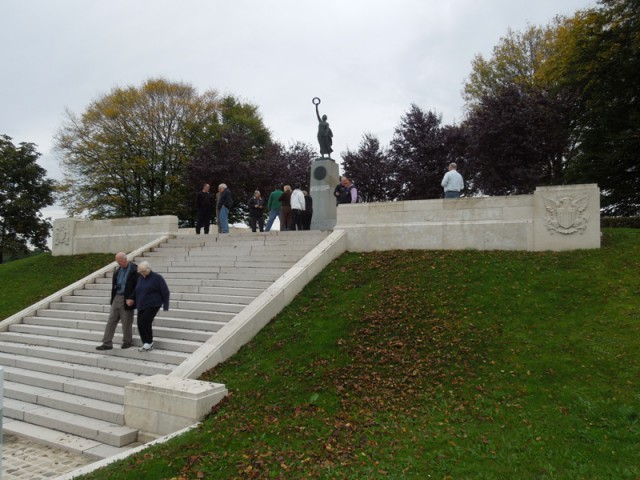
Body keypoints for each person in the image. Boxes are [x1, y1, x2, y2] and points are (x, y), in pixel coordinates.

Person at [96, 252, 138, 350]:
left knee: (126, 321)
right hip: (117, 297)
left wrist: (132, 298)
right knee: (111, 321)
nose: (119, 263)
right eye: (117, 261)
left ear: (125, 259)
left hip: (127, 298)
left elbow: (137, 286)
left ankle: (127, 341)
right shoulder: (117, 271)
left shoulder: (134, 269)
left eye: (120, 261)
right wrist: (112, 299)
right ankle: (107, 343)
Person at [135, 261, 170, 352]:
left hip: (153, 304)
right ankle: (145, 343)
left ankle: (149, 343)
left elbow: (165, 292)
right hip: (141, 304)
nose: (142, 274)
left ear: (148, 269)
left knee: (145, 321)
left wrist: (165, 305)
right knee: (139, 323)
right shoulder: (140, 278)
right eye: (141, 272)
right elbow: (138, 291)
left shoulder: (157, 278)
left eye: (144, 272)